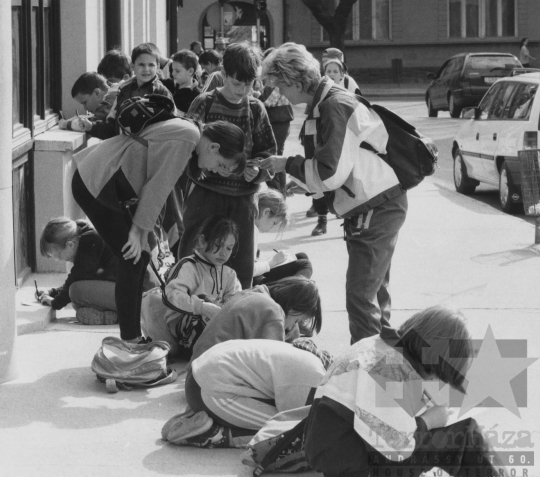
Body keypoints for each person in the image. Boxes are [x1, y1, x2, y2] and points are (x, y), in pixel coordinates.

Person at [260, 42, 409, 344]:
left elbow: (330, 172)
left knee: (360, 296)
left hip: (375, 207)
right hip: (377, 204)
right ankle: (386, 362)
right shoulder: (326, 102)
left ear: (294, 79)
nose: (282, 96)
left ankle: (365, 374)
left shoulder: (333, 106)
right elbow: (340, 165)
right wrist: (303, 183)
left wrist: (286, 164)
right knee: (374, 293)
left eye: (281, 87)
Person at [71, 119, 246, 343]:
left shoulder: (189, 135)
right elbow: (158, 186)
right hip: (97, 181)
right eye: (221, 165)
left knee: (140, 258)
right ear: (213, 147)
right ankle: (131, 341)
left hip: (111, 185)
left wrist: (145, 233)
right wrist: (137, 231)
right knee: (132, 259)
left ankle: (133, 338)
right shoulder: (188, 137)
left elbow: (160, 191)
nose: (215, 171)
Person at [304, 306, 507, 477]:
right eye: (438, 374)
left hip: (340, 449)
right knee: (464, 434)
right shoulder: (391, 369)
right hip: (356, 466)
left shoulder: (378, 346)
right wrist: (428, 421)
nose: (434, 379)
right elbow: (397, 450)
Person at [184, 40, 276, 289]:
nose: (243, 90)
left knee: (240, 262)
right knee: (193, 253)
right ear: (223, 74)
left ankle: (236, 314)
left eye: (249, 84)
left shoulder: (256, 109)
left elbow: (268, 152)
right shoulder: (204, 103)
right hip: (205, 194)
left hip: (242, 198)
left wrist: (256, 171)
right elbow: (187, 148)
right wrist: (200, 169)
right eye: (237, 83)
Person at [162, 339, 327, 448]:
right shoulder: (313, 376)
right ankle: (213, 434)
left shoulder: (308, 358)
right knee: (286, 431)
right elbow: (294, 422)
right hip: (208, 390)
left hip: (199, 378)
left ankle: (198, 416)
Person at [141, 216, 242, 358]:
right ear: (202, 241)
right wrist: (202, 307)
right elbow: (172, 295)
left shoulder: (229, 274)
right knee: (203, 301)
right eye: (218, 245)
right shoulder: (188, 266)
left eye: (229, 248)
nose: (223, 253)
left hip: (214, 329)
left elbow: (236, 301)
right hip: (184, 332)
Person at [190, 275, 323, 364]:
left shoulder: (256, 292)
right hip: (208, 382)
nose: (293, 327)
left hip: (197, 372)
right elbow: (274, 365)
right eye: (297, 320)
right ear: (293, 307)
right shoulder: (271, 311)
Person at [74, 43, 174, 140]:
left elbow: (172, 127)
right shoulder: (123, 92)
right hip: (125, 147)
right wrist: (92, 126)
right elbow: (113, 128)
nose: (146, 69)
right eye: (141, 65)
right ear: (132, 67)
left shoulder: (162, 93)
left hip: (153, 150)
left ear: (158, 67)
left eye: (151, 65)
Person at [36, 217, 118, 325]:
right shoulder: (83, 237)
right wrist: (52, 292)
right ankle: (113, 316)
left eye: (58, 256)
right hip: (122, 291)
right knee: (77, 301)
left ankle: (122, 315)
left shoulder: (90, 241)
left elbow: (76, 279)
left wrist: (55, 303)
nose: (60, 260)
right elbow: (80, 277)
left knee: (75, 291)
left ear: (70, 245)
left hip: (135, 294)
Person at [253, 189, 313, 286]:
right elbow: (248, 271)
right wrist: (273, 261)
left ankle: (298, 288)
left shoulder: (251, 226)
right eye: (274, 223)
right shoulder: (252, 230)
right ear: (266, 212)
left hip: (256, 276)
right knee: (304, 265)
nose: (271, 228)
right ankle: (297, 290)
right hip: (255, 283)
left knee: (301, 256)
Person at [259, 47, 295, 193]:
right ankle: (280, 193)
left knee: (273, 156)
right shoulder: (278, 76)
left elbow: (266, 100)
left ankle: (277, 192)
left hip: (277, 120)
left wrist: (256, 97)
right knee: (277, 155)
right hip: (281, 119)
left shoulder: (276, 78)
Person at [161, 49, 202, 116]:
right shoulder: (169, 84)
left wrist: (169, 108)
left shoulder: (197, 96)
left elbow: (191, 119)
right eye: (172, 70)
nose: (173, 74)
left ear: (190, 71)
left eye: (177, 71)